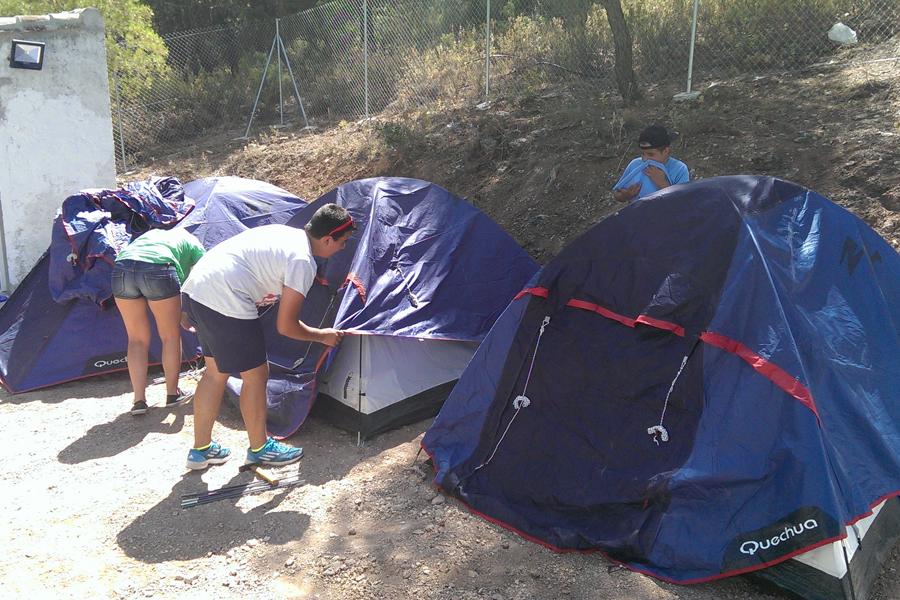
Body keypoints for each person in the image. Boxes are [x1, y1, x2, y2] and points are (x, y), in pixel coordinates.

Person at [181, 203, 356, 470]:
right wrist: (322, 335)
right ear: (327, 239)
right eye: (342, 243)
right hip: (226, 298)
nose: (342, 248)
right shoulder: (302, 261)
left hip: (197, 289)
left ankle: (201, 451)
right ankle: (260, 449)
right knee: (257, 376)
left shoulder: (284, 233)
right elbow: (286, 326)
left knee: (214, 372)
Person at [112, 227, 206, 416]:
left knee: (136, 339)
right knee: (169, 336)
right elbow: (205, 271)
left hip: (122, 269)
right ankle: (172, 394)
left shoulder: (150, 235)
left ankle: (139, 400)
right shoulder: (192, 241)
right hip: (159, 268)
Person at [613, 125, 690, 203]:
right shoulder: (635, 164)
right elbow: (617, 194)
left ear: (665, 151)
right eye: (643, 154)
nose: (645, 159)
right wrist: (627, 195)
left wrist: (662, 183)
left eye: (650, 154)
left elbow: (682, 201)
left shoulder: (679, 169)